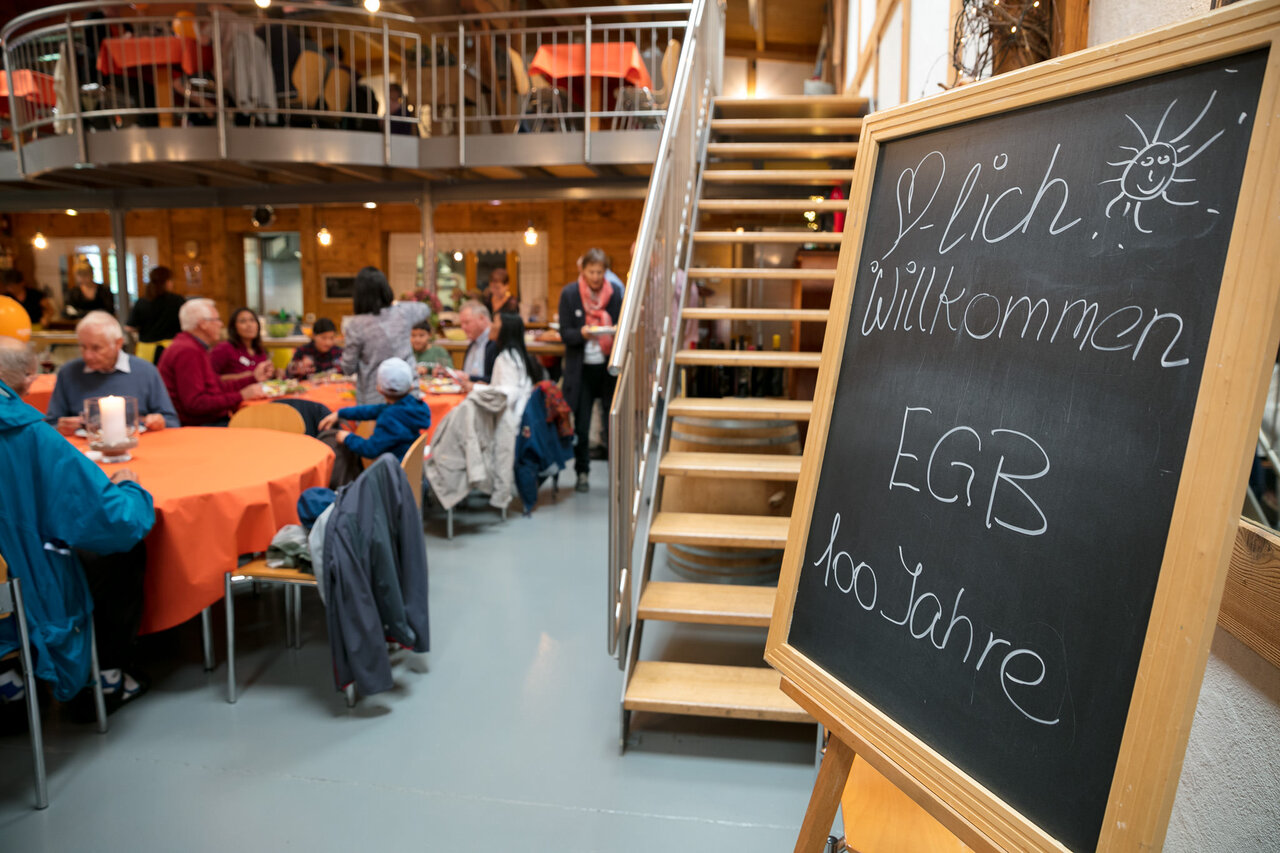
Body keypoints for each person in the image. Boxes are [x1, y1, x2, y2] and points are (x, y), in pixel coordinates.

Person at [0, 338, 155, 716]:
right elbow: (113, 521)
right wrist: (130, 488)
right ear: (29, 379)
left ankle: (10, 683)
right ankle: (105, 676)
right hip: (21, 586)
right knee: (118, 551)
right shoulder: (24, 433)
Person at [46, 311, 180, 433]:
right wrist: (60, 427)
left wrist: (158, 421)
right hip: (84, 448)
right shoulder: (68, 373)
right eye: (83, 347)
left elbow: (171, 421)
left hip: (138, 444)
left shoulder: (145, 371)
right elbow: (50, 425)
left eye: (96, 348)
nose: (87, 355)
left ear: (118, 344)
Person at [558, 247, 623, 492]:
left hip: (608, 369)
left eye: (599, 272)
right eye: (591, 271)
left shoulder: (614, 293)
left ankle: (616, 474)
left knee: (611, 424)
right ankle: (582, 472)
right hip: (581, 370)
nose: (595, 277)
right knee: (582, 426)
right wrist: (582, 333)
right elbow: (565, 333)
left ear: (605, 272)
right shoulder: (570, 294)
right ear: (583, 270)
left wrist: (612, 331)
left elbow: (621, 327)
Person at [318, 358, 431, 487]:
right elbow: (372, 410)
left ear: (379, 389)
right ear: (410, 387)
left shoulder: (389, 418)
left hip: (392, 479)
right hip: (413, 474)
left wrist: (348, 438)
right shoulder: (413, 407)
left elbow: (370, 449)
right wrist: (341, 413)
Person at [158, 298, 269, 426]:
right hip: (200, 425)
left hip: (208, 420)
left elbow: (215, 387)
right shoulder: (188, 351)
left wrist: (253, 378)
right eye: (217, 320)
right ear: (203, 324)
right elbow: (195, 404)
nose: (220, 324)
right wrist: (241, 395)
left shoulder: (194, 347)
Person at [341, 266, 431, 405]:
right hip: (408, 393)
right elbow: (425, 309)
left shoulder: (356, 324)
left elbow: (348, 368)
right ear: (386, 290)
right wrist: (393, 303)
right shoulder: (402, 312)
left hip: (374, 397)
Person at [126, 266, 185, 361]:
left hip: (147, 350)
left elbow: (129, 327)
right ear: (167, 282)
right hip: (172, 348)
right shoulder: (177, 300)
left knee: (146, 371)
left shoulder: (142, 302)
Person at [211, 307, 274, 380]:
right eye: (243, 321)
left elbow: (263, 377)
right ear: (234, 327)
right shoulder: (224, 348)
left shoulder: (259, 350)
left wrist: (274, 374)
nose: (249, 325)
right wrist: (240, 377)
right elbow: (209, 378)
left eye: (252, 320)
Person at [449, 299, 497, 383]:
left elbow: (497, 381)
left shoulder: (496, 343)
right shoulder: (473, 343)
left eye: (467, 322)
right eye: (462, 323)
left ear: (482, 318)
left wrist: (468, 378)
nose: (463, 327)